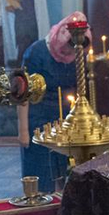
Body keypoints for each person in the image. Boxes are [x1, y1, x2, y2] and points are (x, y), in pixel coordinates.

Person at [18, 12, 91, 193]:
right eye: (69, 47)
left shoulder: (78, 54)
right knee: (41, 176)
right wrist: (23, 131)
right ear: (62, 37)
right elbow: (22, 93)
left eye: (76, 49)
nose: (71, 54)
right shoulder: (36, 53)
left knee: (66, 175)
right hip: (39, 121)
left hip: (68, 121)